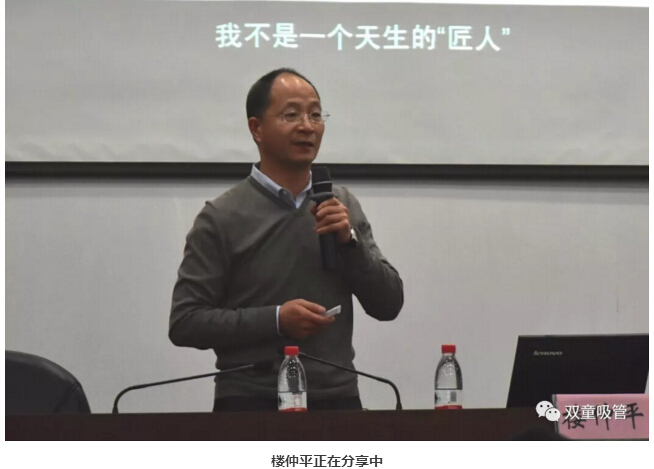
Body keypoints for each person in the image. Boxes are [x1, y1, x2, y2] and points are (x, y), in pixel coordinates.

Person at [169, 68, 404, 411]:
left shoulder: (341, 205)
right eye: (291, 115)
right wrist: (276, 319)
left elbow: (389, 304)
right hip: (250, 404)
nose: (307, 126)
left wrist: (349, 242)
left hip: (337, 400)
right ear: (256, 129)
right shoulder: (221, 216)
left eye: (315, 114)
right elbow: (186, 322)